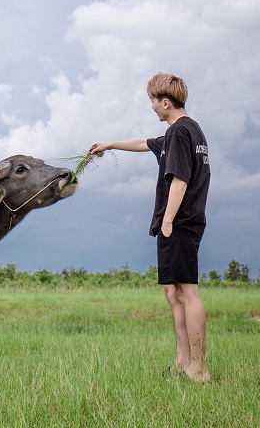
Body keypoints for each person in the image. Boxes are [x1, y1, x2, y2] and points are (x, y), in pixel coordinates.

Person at [90, 72, 211, 382]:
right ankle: (182, 363)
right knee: (173, 292)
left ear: (165, 102)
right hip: (181, 222)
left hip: (180, 222)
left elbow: (180, 179)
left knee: (188, 293)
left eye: (153, 102)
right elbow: (145, 143)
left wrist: (168, 220)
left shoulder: (178, 134)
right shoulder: (189, 130)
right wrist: (110, 144)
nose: (152, 108)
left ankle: (198, 369)